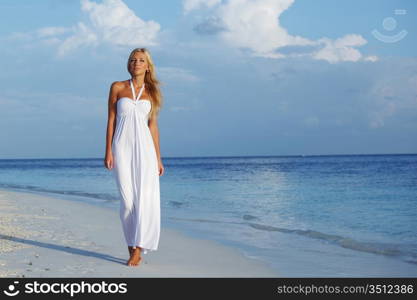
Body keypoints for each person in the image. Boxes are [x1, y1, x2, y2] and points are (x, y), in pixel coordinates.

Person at [104, 48, 164, 267]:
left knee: (145, 200)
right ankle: (132, 246)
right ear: (128, 64)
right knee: (128, 202)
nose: (136, 63)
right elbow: (111, 120)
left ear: (148, 66)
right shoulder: (117, 87)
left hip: (146, 151)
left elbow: (153, 126)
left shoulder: (153, 91)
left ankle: (137, 249)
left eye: (141, 60)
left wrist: (158, 158)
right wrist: (108, 150)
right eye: (132, 60)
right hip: (121, 147)